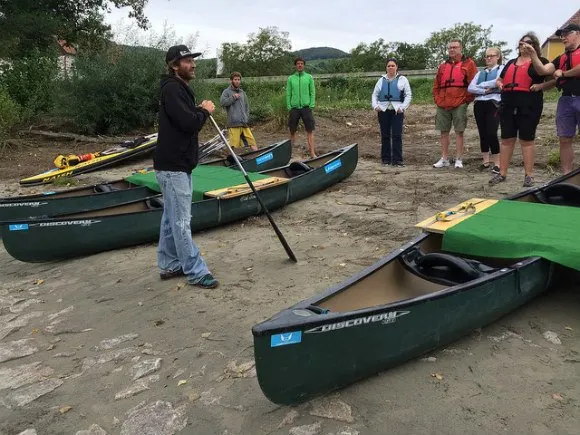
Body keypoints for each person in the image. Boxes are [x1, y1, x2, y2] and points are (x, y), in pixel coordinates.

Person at [154, 44, 219, 289]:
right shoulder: (172, 89)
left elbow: (184, 118)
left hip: (177, 164)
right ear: (174, 66)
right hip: (173, 166)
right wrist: (203, 110)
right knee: (181, 221)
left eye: (193, 60)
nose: (193, 64)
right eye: (187, 61)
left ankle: (170, 264)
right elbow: (188, 123)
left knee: (171, 219)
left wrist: (197, 109)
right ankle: (196, 271)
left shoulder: (178, 89)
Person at [489, 33, 550, 187]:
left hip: (529, 106)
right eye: (522, 43)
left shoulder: (541, 62)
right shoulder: (510, 63)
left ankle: (529, 176)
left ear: (534, 45)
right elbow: (500, 79)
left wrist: (541, 85)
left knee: (527, 140)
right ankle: (502, 173)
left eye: (528, 43)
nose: (524, 45)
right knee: (506, 140)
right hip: (508, 105)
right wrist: (499, 83)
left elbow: (550, 80)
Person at [523, 23, 580, 174]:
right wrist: (534, 55)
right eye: (561, 35)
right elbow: (542, 71)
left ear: (577, 34)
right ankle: (566, 174)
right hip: (566, 100)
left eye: (566, 34)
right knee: (564, 138)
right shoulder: (560, 58)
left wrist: (564, 73)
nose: (562, 37)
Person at [432, 39, 478, 169]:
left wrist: (465, 100)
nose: (452, 50)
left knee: (459, 132)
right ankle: (444, 158)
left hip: (459, 103)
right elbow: (436, 85)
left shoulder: (469, 64)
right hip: (443, 104)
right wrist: (438, 99)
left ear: (460, 48)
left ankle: (458, 159)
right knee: (443, 132)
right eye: (450, 48)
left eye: (455, 47)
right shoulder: (443, 66)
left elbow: (473, 84)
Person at [467, 47, 504, 173]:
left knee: (491, 133)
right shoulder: (480, 73)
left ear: (497, 57)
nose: (488, 58)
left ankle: (497, 163)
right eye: (486, 56)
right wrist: (483, 90)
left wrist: (481, 85)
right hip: (479, 103)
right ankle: (486, 161)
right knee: (482, 133)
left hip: (493, 103)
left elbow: (497, 82)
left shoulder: (502, 69)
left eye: (491, 56)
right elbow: (470, 88)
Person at [371, 58, 412, 166]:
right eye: (389, 66)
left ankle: (397, 160)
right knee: (385, 135)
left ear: (396, 67)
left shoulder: (402, 79)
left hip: (397, 111)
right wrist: (375, 106)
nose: (390, 67)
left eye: (393, 65)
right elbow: (374, 95)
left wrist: (403, 107)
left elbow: (408, 95)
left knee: (397, 135)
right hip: (383, 110)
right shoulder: (381, 80)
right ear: (386, 68)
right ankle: (386, 159)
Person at [219, 71, 258, 152]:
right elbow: (222, 103)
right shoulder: (226, 92)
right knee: (233, 146)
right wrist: (232, 98)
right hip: (233, 123)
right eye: (235, 79)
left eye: (238, 79)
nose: (237, 81)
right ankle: (230, 161)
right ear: (231, 81)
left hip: (243, 123)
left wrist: (246, 117)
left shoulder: (242, 92)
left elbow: (246, 106)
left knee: (252, 142)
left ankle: (258, 157)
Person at [286, 57, 317, 158]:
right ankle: (289, 154)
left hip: (306, 107)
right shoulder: (291, 78)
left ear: (304, 65)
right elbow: (288, 93)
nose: (300, 65)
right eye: (298, 63)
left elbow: (312, 92)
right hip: (294, 108)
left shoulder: (308, 77)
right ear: (296, 65)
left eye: (301, 63)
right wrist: (289, 106)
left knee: (309, 130)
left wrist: (311, 105)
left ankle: (312, 153)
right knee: (292, 131)